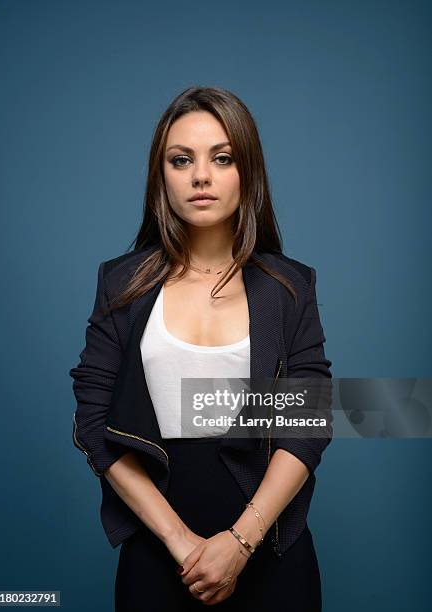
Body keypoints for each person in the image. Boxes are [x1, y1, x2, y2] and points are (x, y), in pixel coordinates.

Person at [69, 86, 333, 611]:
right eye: (181, 159)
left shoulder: (289, 287)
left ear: (247, 172)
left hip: (272, 549)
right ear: (161, 175)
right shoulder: (121, 285)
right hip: (157, 549)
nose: (200, 176)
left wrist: (238, 543)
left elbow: (308, 424)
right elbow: (94, 425)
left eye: (223, 157)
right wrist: (180, 542)